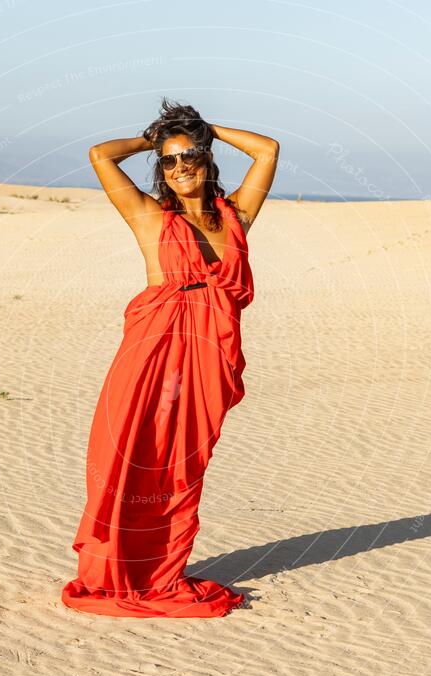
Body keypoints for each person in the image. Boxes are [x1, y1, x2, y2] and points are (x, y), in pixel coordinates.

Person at [62, 97, 279, 617]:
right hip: (150, 355)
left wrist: (206, 130)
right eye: (170, 160)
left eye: (191, 157)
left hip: (207, 360)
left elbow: (268, 150)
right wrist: (155, 138)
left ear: (207, 162)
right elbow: (100, 155)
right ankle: (113, 568)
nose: (181, 167)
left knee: (181, 466)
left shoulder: (237, 218)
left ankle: (161, 568)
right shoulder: (149, 217)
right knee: (129, 456)